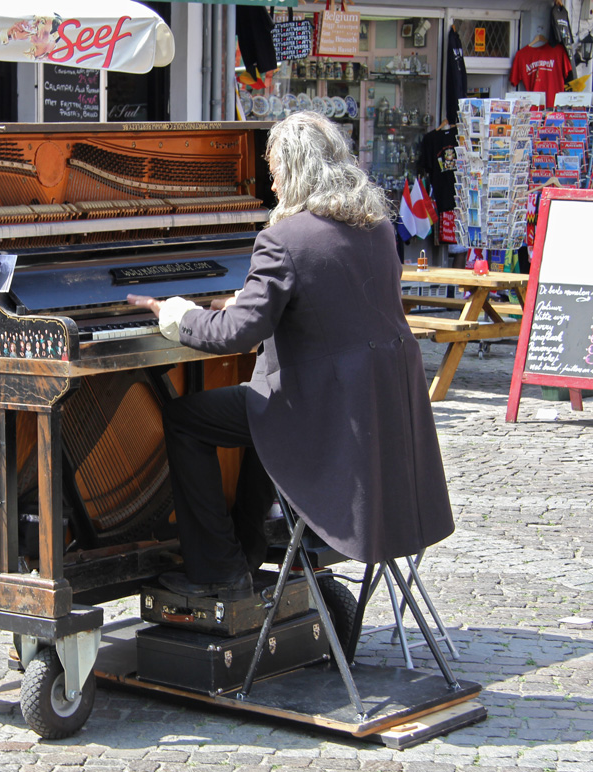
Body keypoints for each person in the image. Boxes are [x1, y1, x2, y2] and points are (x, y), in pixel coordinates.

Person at [128, 111, 454, 601]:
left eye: (276, 172)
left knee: (185, 419)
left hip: (316, 412)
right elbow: (330, 297)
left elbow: (240, 334)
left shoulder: (283, 238)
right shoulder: (377, 228)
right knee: (258, 410)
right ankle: (246, 547)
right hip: (373, 415)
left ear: (297, 171)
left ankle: (219, 567)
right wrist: (246, 299)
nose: (272, 185)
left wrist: (176, 313)